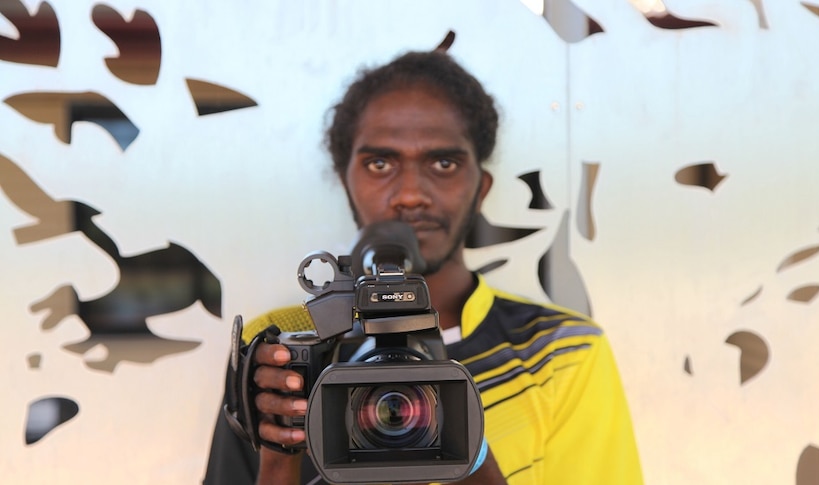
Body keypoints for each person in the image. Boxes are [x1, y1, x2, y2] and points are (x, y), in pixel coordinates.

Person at [203, 48, 643, 485]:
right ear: (345, 180)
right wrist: (281, 455)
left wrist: (465, 446)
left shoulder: (561, 352)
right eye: (380, 163)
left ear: (482, 186)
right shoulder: (280, 341)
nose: (411, 194)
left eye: (443, 163)